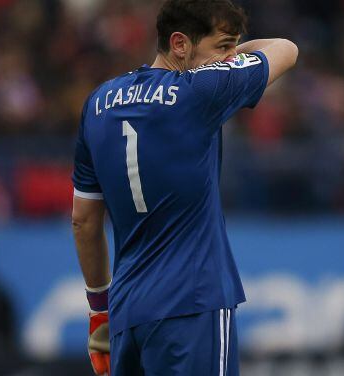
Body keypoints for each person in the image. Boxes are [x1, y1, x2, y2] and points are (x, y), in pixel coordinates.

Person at [70, 1, 298, 375]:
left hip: (127, 312)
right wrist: (233, 61)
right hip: (194, 303)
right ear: (180, 44)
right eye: (222, 46)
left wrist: (99, 311)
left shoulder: (97, 105)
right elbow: (286, 49)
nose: (230, 59)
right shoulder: (200, 91)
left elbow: (83, 220)